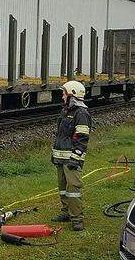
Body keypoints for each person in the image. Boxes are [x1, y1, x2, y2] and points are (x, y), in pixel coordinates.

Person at [51, 81, 92, 231]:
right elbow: (61, 136)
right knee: (62, 188)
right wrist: (55, 154)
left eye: (64, 93)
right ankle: (66, 212)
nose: (62, 96)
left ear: (71, 95)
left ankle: (77, 219)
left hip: (72, 160)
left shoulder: (81, 113)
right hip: (61, 157)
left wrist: (76, 158)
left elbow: (82, 139)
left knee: (73, 189)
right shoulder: (66, 111)